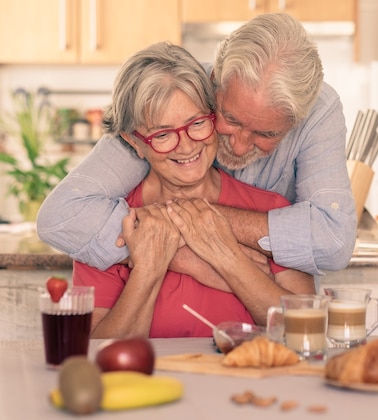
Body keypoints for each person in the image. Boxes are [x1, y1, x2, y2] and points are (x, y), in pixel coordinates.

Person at [37, 13, 357, 276]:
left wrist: (186, 222)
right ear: (214, 81)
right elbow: (62, 215)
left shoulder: (320, 110)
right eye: (230, 118)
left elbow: (332, 240)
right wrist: (186, 256)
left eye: (266, 134)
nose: (242, 146)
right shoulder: (173, 97)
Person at [75, 41, 315, 338]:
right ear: (135, 141)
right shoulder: (104, 226)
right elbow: (98, 353)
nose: (187, 145)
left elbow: (304, 332)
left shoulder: (271, 213)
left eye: (198, 123)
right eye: (162, 134)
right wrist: (149, 268)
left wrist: (228, 258)